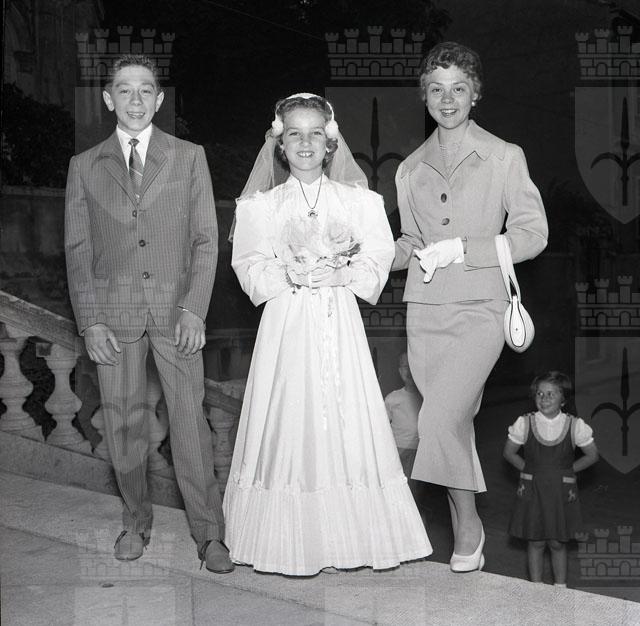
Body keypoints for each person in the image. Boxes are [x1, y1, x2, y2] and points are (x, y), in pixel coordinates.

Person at [224, 93, 432, 575]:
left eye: (315, 133)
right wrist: (289, 273)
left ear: (330, 142)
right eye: (294, 134)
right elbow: (247, 264)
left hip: (339, 319)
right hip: (287, 323)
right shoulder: (260, 207)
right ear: (280, 144)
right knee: (290, 414)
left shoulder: (358, 201)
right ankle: (285, 543)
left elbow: (379, 256)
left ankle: (349, 541)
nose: (305, 143)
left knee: (343, 413)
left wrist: (342, 273)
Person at [64, 54, 232, 573]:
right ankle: (134, 522)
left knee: (190, 426)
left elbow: (206, 241)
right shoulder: (84, 166)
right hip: (113, 317)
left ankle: (210, 535)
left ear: (159, 100)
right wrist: (91, 321)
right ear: (108, 99)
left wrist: (194, 309)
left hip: (176, 314)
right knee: (123, 424)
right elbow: (78, 249)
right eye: (124, 90)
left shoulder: (188, 157)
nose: (135, 100)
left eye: (145, 90)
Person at [392, 42, 548, 572]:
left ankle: (468, 523)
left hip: (482, 306)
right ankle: (467, 522)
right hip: (426, 310)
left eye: (458, 88)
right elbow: (410, 243)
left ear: (475, 93)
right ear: (425, 96)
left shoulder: (505, 156)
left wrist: (466, 247)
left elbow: (533, 234)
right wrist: (364, 258)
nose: (447, 99)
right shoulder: (409, 168)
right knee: (449, 423)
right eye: (436, 89)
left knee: (436, 418)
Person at [504, 371, 598, 586]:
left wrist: (568, 471)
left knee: (557, 542)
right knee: (535, 541)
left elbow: (592, 455)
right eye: (539, 393)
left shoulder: (575, 425)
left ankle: (560, 588)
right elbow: (509, 453)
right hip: (533, 490)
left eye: (551, 394)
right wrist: (530, 471)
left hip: (560, 492)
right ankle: (536, 587)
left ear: (563, 400)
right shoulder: (524, 423)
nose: (544, 398)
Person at [384, 352, 422, 501]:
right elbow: (383, 428)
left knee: (415, 492)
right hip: (398, 450)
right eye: (405, 367)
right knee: (399, 489)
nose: (409, 371)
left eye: (413, 365)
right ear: (400, 371)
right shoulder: (393, 398)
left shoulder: (425, 397)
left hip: (420, 451)